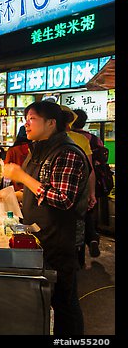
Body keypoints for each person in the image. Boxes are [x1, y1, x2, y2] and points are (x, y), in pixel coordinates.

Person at [0, 100, 90, 335]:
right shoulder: (38, 149)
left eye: (32, 119)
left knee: (64, 302)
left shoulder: (68, 153)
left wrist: (21, 176)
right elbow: (38, 191)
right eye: (25, 119)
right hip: (39, 238)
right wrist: (11, 194)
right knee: (44, 300)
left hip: (59, 240)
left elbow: (63, 198)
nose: (26, 124)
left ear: (51, 123)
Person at [61, 106, 97, 269]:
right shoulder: (82, 139)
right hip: (79, 192)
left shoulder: (44, 140)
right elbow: (90, 169)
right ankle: (78, 261)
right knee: (78, 226)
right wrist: (92, 193)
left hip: (59, 197)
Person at [72, 108, 103, 258]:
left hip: (71, 185)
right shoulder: (91, 139)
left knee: (73, 221)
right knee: (86, 216)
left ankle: (79, 255)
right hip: (87, 185)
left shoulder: (66, 137)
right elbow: (91, 168)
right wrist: (92, 192)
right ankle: (91, 238)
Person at [4, 125, 31, 191]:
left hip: (15, 187)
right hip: (31, 186)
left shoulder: (12, 150)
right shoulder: (33, 149)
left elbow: (6, 167)